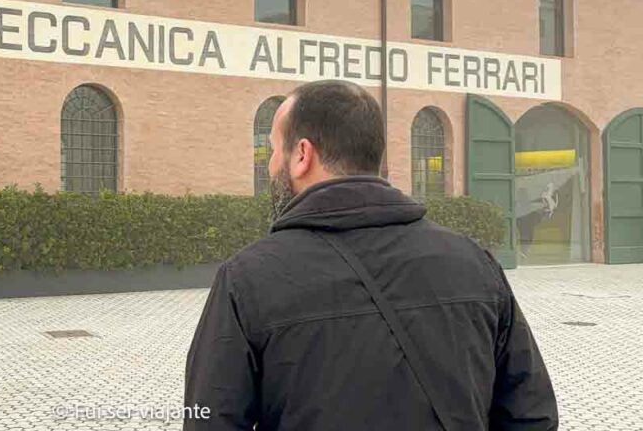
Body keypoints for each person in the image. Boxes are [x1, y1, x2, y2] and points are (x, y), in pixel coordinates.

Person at [183, 80, 558, 430]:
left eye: (272, 149)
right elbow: (531, 415)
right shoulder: (475, 264)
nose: (269, 164)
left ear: (302, 154)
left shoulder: (247, 280)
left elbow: (209, 420)